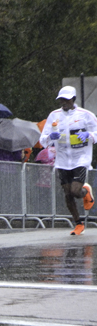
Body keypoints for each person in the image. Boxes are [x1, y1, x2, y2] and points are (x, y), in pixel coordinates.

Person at [39, 86, 97, 235]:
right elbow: (43, 138)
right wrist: (50, 138)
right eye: (61, 100)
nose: (63, 102)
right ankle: (78, 224)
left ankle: (85, 192)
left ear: (73, 99)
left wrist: (89, 135)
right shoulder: (54, 115)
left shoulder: (85, 115)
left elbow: (96, 131)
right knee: (67, 193)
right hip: (63, 159)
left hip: (81, 158)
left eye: (66, 100)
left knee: (75, 190)